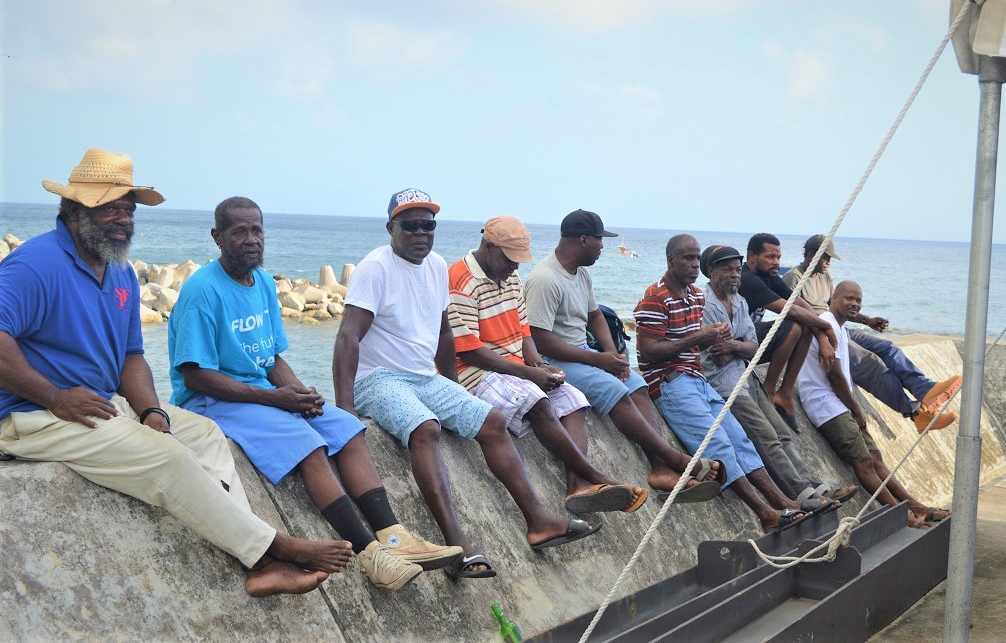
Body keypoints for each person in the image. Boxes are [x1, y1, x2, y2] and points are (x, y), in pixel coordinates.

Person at [0, 150, 352, 598]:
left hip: (101, 402)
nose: (124, 219)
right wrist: (55, 396)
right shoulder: (35, 264)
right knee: (167, 458)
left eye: (129, 208)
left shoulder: (121, 271)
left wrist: (150, 408)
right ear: (73, 209)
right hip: (33, 414)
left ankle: (259, 561)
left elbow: (131, 356)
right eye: (110, 207)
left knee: (203, 434)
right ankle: (272, 549)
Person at [168, 196, 460, 592]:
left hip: (256, 393)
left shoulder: (264, 281)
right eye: (239, 232)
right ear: (218, 237)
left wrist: (298, 391)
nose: (251, 239)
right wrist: (276, 399)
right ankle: (371, 556)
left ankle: (394, 537)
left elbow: (271, 359)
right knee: (310, 444)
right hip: (212, 401)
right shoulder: (203, 290)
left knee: (347, 428)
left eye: (257, 230)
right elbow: (196, 375)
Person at [334, 190, 599, 580]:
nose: (421, 232)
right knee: (425, 429)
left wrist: (454, 387)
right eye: (411, 225)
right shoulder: (375, 268)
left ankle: (539, 521)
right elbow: (347, 338)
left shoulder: (436, 265)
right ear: (392, 227)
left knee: (492, 422)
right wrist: (345, 409)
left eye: (429, 225)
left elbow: (444, 334)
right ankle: (457, 546)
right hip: (377, 378)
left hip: (424, 375)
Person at [634, 234, 839, 532]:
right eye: (688, 259)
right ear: (670, 261)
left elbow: (746, 345)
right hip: (671, 382)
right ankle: (764, 512)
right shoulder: (655, 296)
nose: (694, 265)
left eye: (696, 258)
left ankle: (783, 500)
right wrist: (701, 339)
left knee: (740, 440)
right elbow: (648, 353)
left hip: (696, 379)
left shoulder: (694, 295)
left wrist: (721, 344)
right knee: (719, 446)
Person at [448, 215, 646, 515]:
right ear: (489, 246)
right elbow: (471, 351)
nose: (516, 267)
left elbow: (524, 330)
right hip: (476, 374)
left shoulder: (510, 278)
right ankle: (595, 476)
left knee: (574, 399)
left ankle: (576, 485)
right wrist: (530, 373)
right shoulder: (460, 280)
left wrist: (539, 364)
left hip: (514, 367)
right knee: (539, 402)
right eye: (510, 259)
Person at [523, 209, 724, 501]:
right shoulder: (545, 278)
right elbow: (539, 338)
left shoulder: (581, 274)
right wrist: (597, 360)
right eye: (599, 240)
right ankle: (677, 460)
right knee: (614, 389)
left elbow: (595, 317)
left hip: (584, 352)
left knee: (637, 385)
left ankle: (660, 468)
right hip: (555, 360)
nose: (603, 247)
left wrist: (613, 354)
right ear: (582, 240)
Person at [699, 245, 857, 505]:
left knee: (782, 432)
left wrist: (735, 347)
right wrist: (738, 347)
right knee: (767, 437)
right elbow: (714, 354)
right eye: (727, 269)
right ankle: (803, 495)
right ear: (711, 271)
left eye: (737, 269)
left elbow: (751, 346)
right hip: (724, 384)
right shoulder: (705, 304)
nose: (734, 274)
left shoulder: (739, 301)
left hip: (747, 374)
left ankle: (816, 487)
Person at [797, 281, 950, 528]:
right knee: (865, 464)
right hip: (826, 405)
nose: (855, 304)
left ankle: (919, 509)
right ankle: (905, 519)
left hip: (841, 404)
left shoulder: (840, 328)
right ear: (833, 297)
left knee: (877, 459)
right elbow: (834, 376)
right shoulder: (828, 324)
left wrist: (853, 408)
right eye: (849, 298)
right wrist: (856, 410)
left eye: (858, 300)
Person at [782, 234, 960, 433]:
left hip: (837, 328)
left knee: (888, 347)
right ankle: (917, 413)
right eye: (826, 257)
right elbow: (792, 313)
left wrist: (867, 320)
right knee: (869, 362)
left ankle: (924, 389)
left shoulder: (825, 277)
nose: (829, 263)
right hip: (818, 335)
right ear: (811, 255)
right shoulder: (794, 277)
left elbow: (837, 307)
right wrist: (822, 337)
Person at [739, 233, 840, 431]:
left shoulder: (770, 276)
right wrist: (826, 327)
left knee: (804, 324)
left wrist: (820, 336)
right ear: (752, 257)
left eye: (778, 257)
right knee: (794, 324)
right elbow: (791, 310)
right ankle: (769, 389)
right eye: (770, 257)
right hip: (739, 345)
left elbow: (801, 303)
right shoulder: (748, 279)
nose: (776, 262)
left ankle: (784, 393)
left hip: (752, 340)